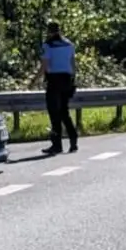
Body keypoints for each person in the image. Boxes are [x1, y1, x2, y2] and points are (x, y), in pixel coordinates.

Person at [40, 21, 79, 154]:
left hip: (54, 81)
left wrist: (33, 81)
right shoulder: (69, 44)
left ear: (49, 32)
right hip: (67, 80)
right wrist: (73, 81)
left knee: (54, 113)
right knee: (64, 112)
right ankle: (73, 142)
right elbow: (73, 65)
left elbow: (44, 65)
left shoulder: (48, 45)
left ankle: (57, 145)